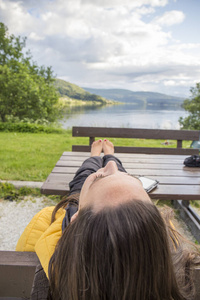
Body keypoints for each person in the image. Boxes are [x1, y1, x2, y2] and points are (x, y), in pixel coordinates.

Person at [16, 140, 200, 300]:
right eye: (134, 181)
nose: (111, 169)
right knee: (94, 181)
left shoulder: (47, 223)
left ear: (75, 219)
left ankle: (95, 157)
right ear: (157, 223)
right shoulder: (162, 237)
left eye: (99, 179)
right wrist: (105, 177)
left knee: (81, 181)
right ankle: (109, 156)